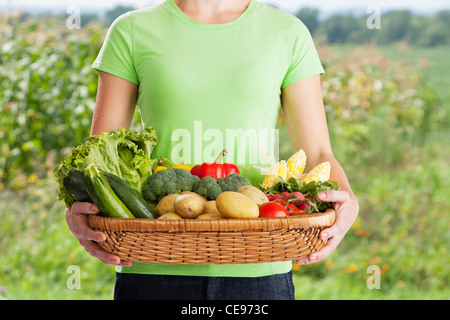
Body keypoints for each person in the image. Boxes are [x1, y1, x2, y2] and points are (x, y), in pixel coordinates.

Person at [65, 0, 359, 300]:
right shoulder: (131, 31)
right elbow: (100, 155)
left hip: (259, 266)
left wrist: (349, 200)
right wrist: (78, 209)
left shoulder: (288, 32)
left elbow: (318, 153)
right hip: (155, 263)